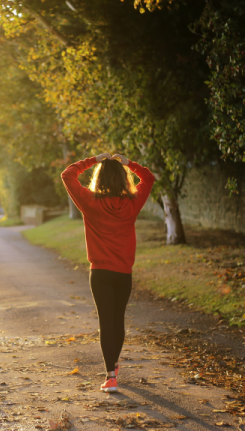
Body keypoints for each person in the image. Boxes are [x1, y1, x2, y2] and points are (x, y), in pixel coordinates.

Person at [61, 152, 155, 393]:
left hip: (100, 273)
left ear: (99, 179)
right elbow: (149, 177)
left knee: (106, 321)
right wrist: (129, 163)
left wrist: (93, 160)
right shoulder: (133, 203)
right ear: (123, 179)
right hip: (123, 273)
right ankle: (113, 367)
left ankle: (111, 375)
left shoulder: (89, 201)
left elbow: (68, 174)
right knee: (118, 319)